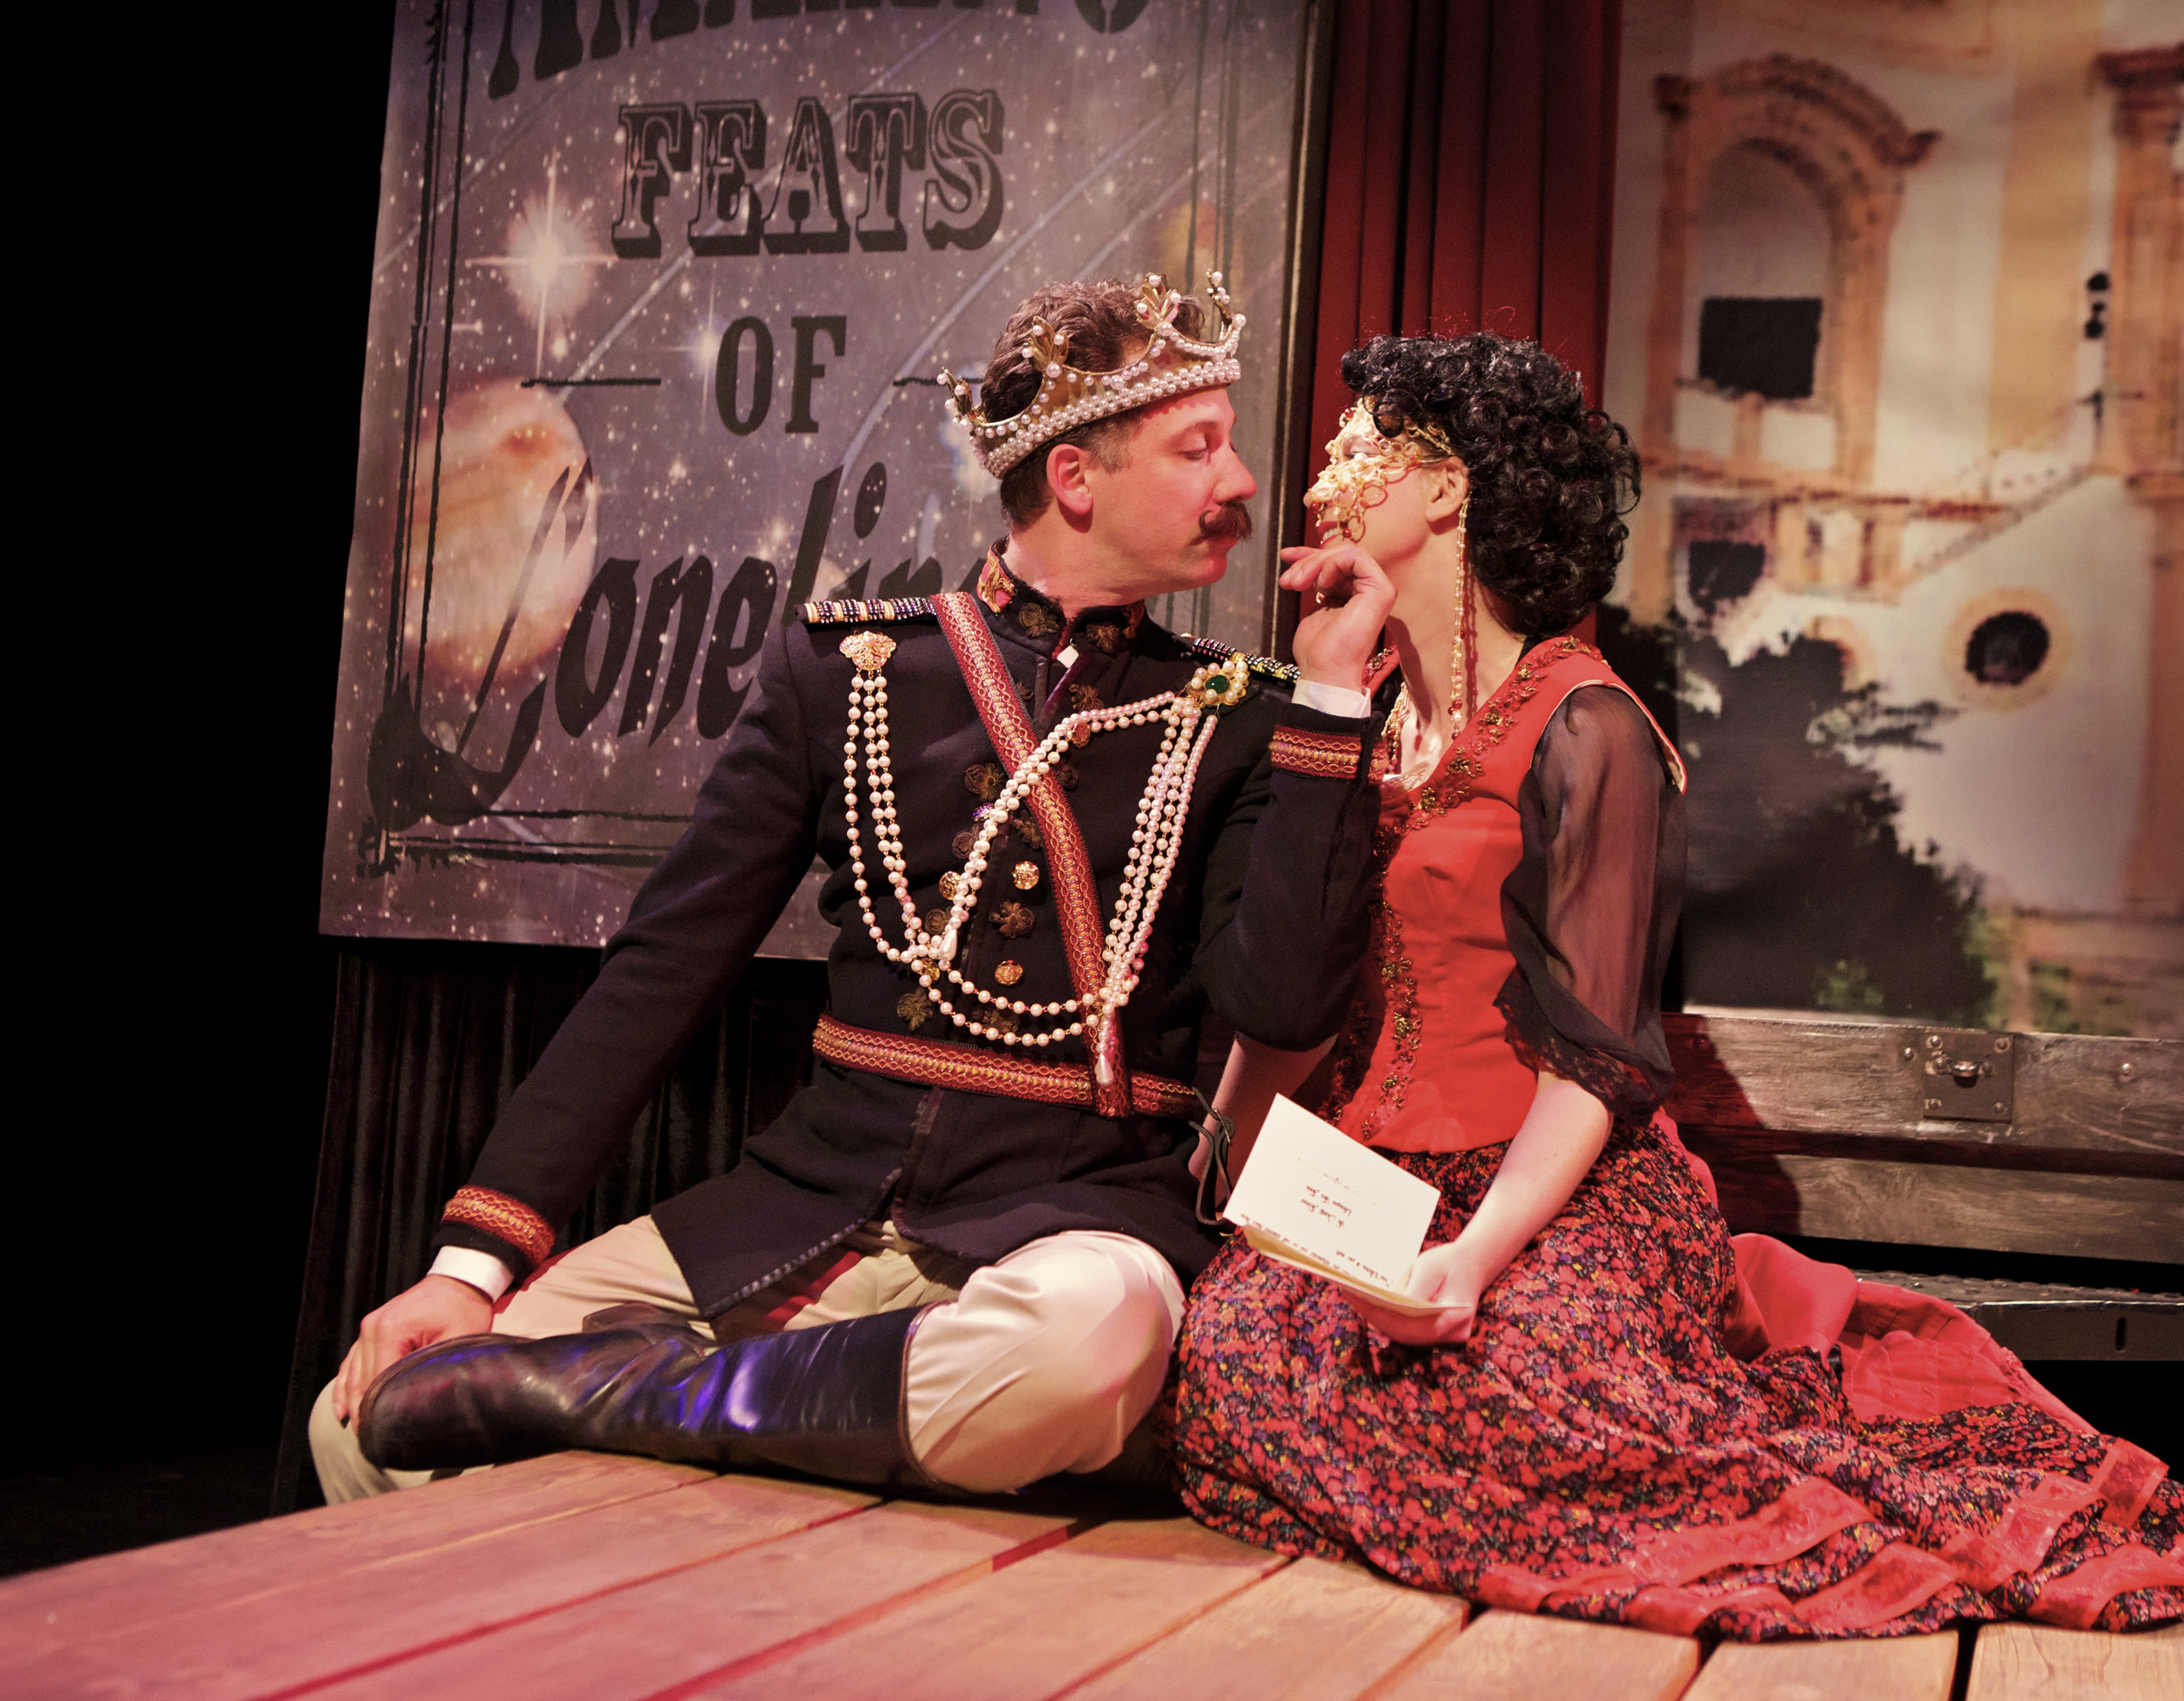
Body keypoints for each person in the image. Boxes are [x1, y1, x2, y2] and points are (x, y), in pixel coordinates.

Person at [1159, 332, 2184, 1640]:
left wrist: (1473, 1257)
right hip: (1371, 1182)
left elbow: (1594, 1052)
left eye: (1367, 446)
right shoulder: (1361, 701)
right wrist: (1233, 1145)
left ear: (1449, 489)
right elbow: (1302, 981)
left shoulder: (1588, 725)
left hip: (1552, 1185)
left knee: (1514, 1380)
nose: (1325, 470)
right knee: (1236, 1357)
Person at [320, 273, 1399, 1500]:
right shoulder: (848, 670)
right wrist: (468, 1267)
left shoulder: (1248, 716)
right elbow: (664, 969)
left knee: (1083, 1348)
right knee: (372, 1421)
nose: (1242, 481)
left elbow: (1282, 1006)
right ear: (1075, 479)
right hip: (806, 1209)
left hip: (1071, 1228)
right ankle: (750, 1423)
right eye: (1198, 447)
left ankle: (638, 1402)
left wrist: (1331, 704)